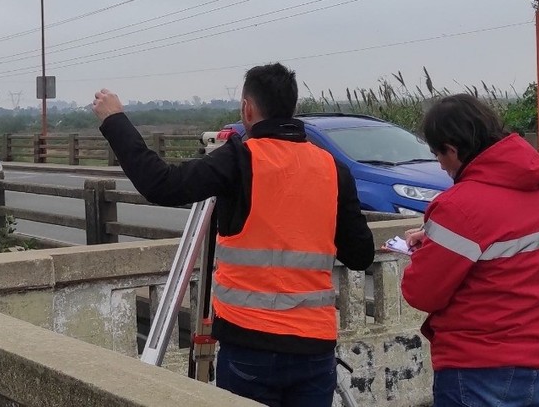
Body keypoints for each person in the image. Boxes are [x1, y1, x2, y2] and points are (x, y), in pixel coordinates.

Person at [93, 63, 373, 406]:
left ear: (247, 108)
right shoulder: (334, 168)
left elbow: (160, 184)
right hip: (314, 348)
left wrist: (115, 121)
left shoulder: (239, 160)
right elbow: (361, 255)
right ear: (292, 107)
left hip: (249, 346)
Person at [401, 94, 539, 407]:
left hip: (477, 368)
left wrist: (426, 253)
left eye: (438, 155)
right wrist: (438, 242)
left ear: (452, 150)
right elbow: (509, 250)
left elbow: (422, 293)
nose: (440, 165)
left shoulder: (458, 207)